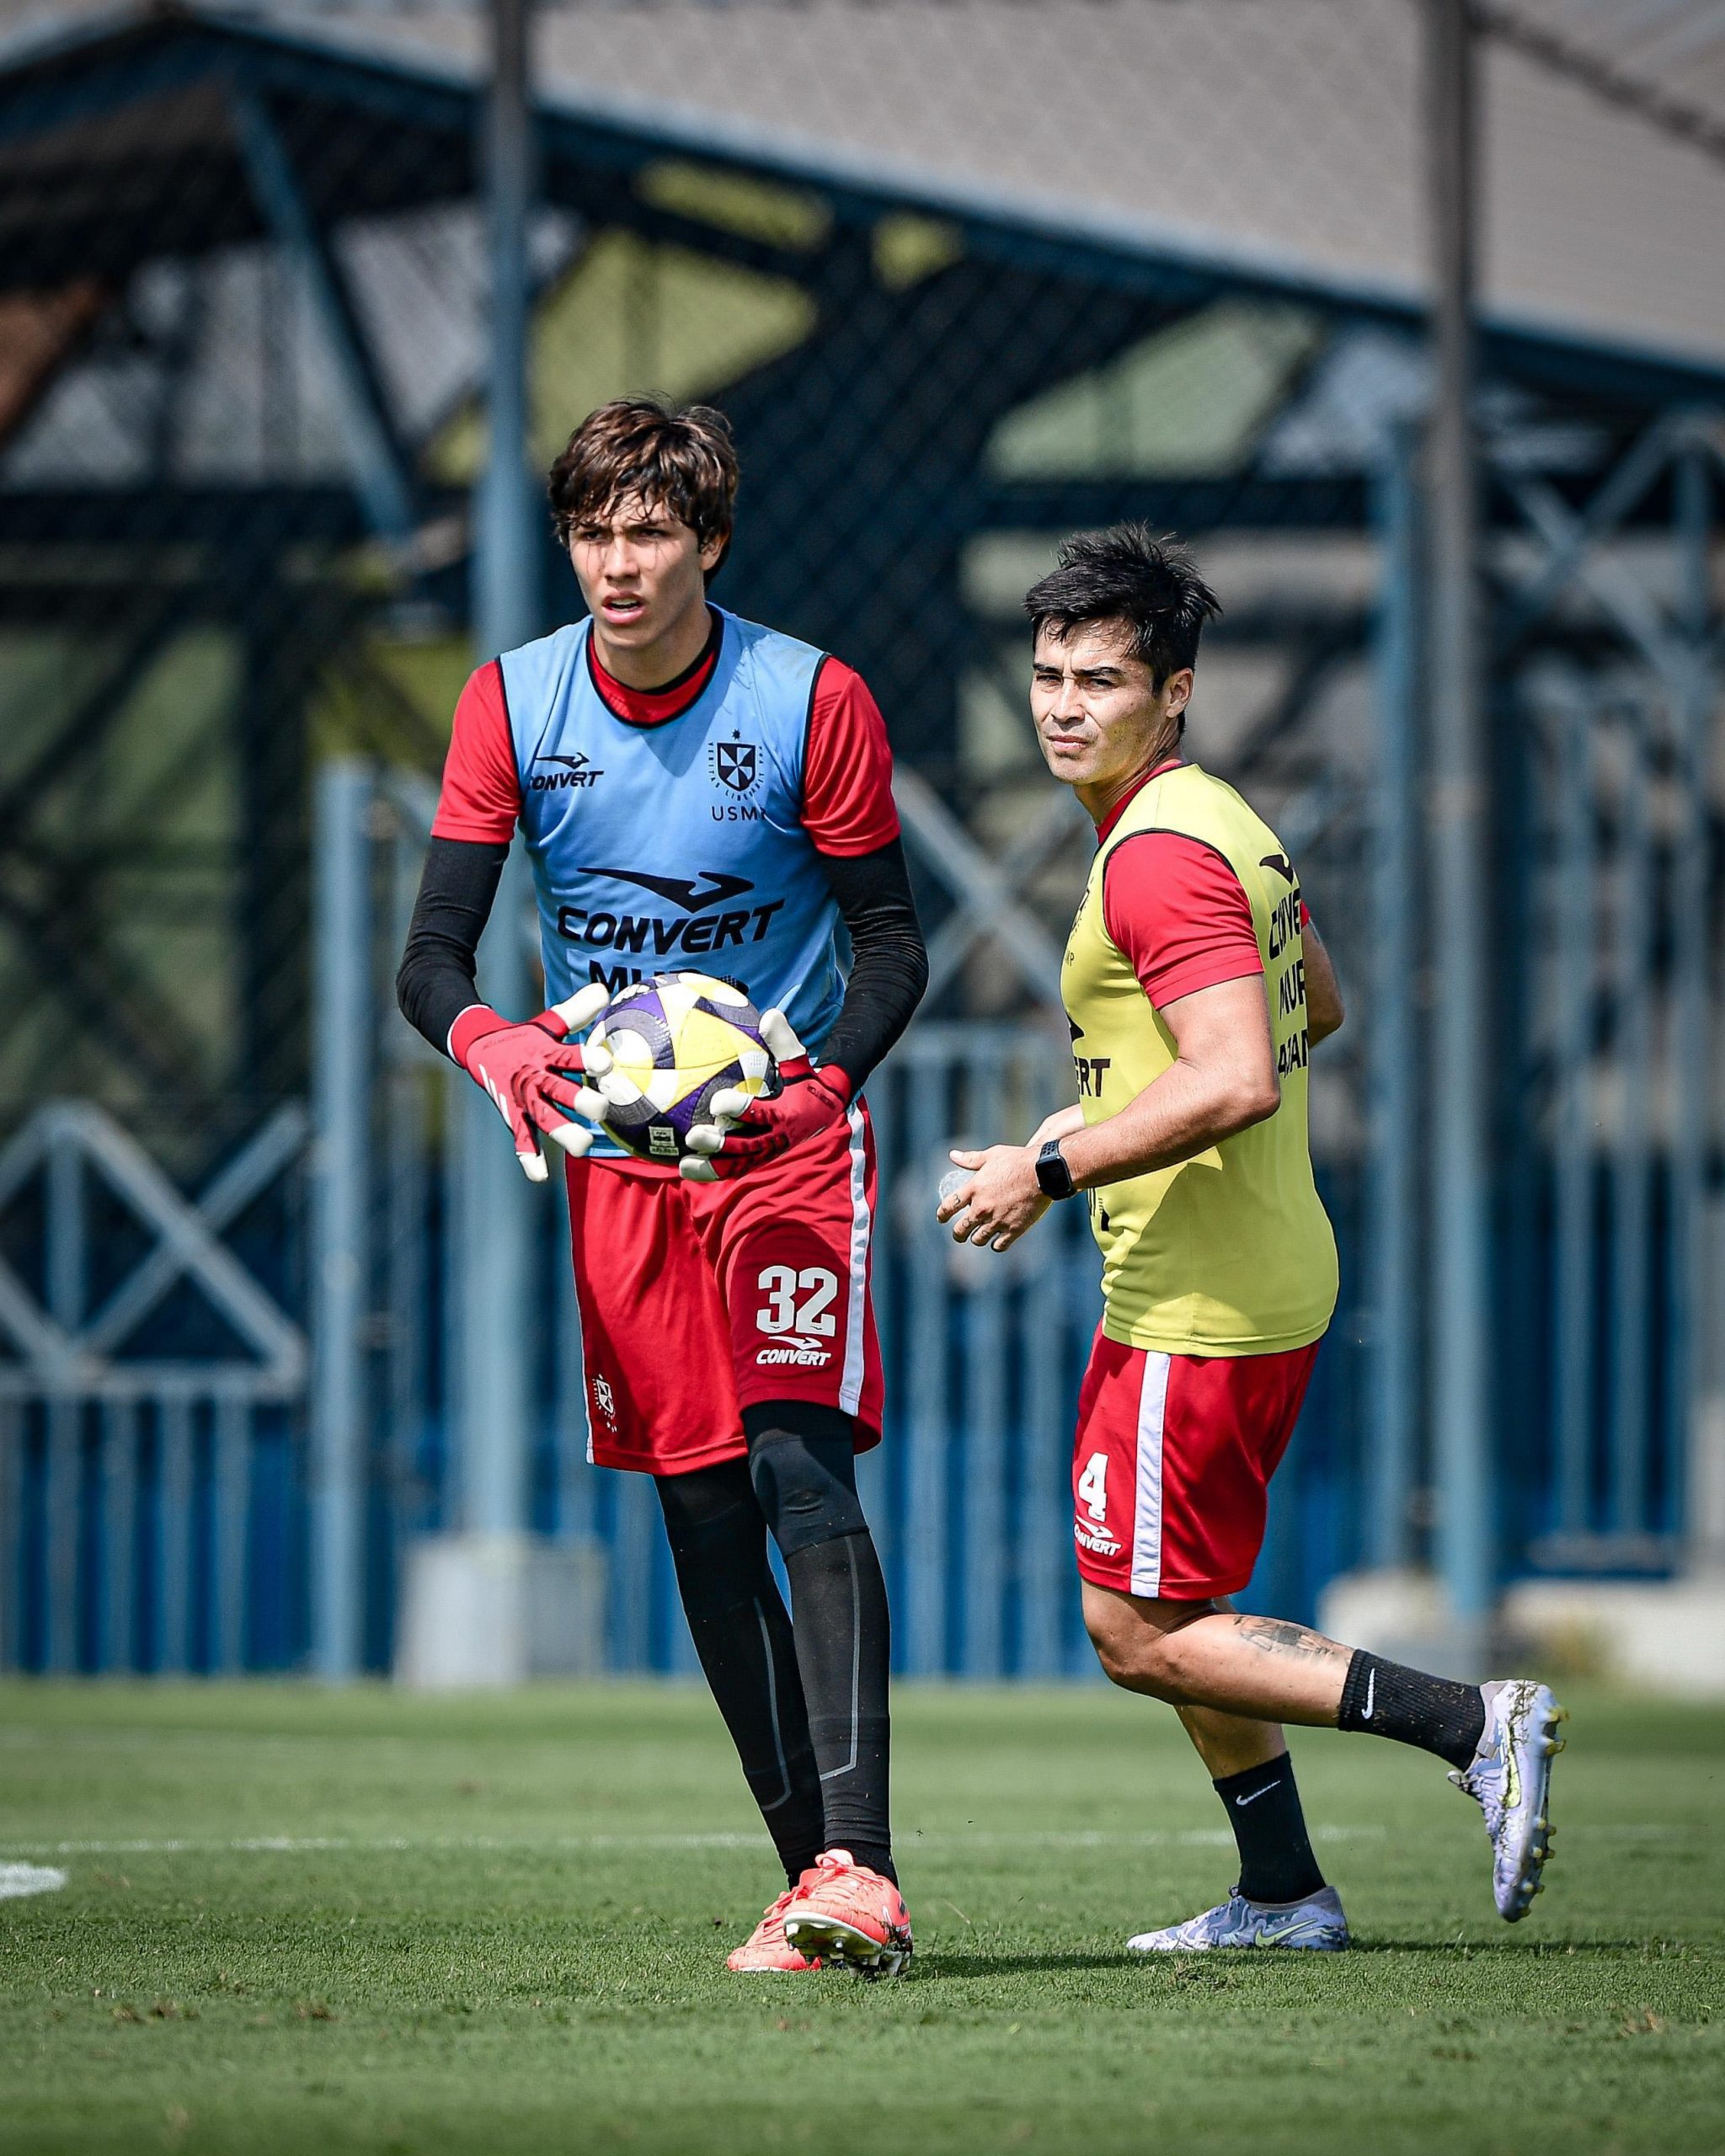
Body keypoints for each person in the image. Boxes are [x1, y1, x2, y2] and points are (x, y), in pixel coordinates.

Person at [937, 524, 1564, 1951]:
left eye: (1101, 679)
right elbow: (1314, 1006)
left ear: (1177, 692)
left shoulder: (1155, 857)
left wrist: (1049, 1161)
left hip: (1202, 1300)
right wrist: (1093, 1122)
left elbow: (1237, 1075)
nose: (1062, 706)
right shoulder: (1219, 819)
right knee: (1180, 1607)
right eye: (1046, 675)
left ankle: (1474, 1722)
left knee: (1137, 1630)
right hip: (1231, 1272)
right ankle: (1283, 1892)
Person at [398, 397, 926, 1977]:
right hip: (619, 1172)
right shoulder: (510, 703)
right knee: (699, 1514)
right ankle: (814, 1880)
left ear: (709, 541)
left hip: (780, 1151)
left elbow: (891, 949)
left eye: (649, 534)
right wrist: (493, 1045)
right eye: (592, 532)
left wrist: (819, 1084)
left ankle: (870, 1871)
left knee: (796, 1470)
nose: (617, 566)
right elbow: (432, 959)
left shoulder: (813, 700)